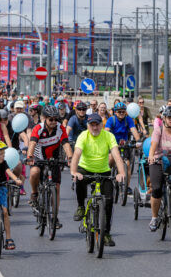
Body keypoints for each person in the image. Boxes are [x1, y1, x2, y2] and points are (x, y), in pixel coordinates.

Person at [70, 113, 125, 246]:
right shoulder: (83, 135)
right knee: (80, 181)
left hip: (103, 170)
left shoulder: (108, 136)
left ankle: (106, 233)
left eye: (97, 124)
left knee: (109, 200)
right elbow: (76, 154)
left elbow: (116, 155)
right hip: (86, 168)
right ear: (88, 126)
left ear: (101, 125)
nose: (94, 127)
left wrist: (121, 173)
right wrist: (74, 172)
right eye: (92, 125)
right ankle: (81, 207)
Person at [27, 106, 73, 228]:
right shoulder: (38, 128)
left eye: (55, 119)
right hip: (39, 157)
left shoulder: (60, 128)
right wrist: (30, 156)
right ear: (44, 119)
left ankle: (54, 217)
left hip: (54, 159)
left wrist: (70, 158)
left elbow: (66, 144)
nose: (53, 122)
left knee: (56, 188)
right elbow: (32, 143)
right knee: (34, 172)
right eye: (50, 119)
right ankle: (34, 193)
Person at [105, 102, 141, 194]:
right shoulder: (111, 120)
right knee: (111, 159)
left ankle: (127, 186)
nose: (121, 113)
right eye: (119, 111)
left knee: (127, 164)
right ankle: (106, 178)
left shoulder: (128, 120)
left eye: (123, 111)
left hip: (124, 145)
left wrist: (138, 141)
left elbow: (134, 130)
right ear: (115, 112)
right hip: (113, 144)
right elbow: (106, 132)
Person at [0, 109, 29, 195]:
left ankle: (19, 184)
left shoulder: (14, 125)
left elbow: (24, 137)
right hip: (1, 152)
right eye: (1, 120)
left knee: (19, 165)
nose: (3, 122)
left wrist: (25, 147)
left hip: (15, 152)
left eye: (5, 119)